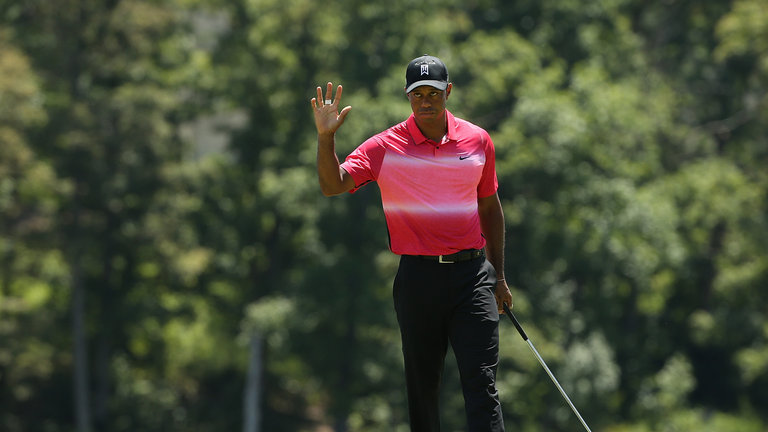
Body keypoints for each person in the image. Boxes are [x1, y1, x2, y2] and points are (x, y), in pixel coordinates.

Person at [310, 54, 512, 432]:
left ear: (447, 91)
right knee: (423, 390)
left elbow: (490, 205)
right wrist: (326, 138)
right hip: (418, 280)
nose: (426, 100)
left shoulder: (478, 140)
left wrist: (498, 276)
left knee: (482, 384)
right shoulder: (385, 147)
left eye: (433, 92)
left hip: (472, 277)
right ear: (407, 97)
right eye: (417, 93)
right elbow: (331, 184)